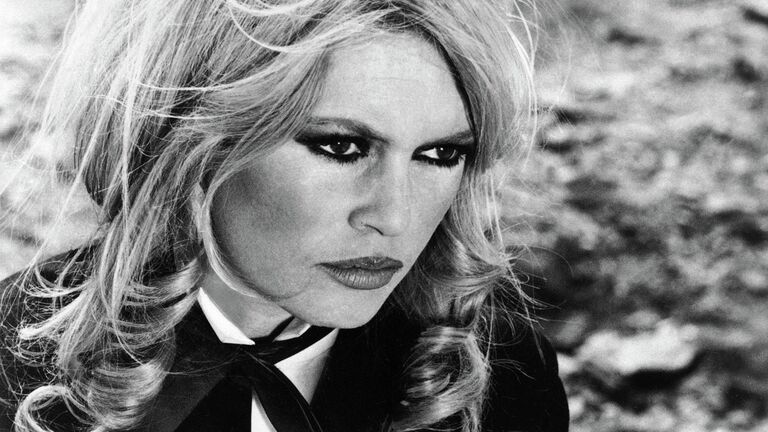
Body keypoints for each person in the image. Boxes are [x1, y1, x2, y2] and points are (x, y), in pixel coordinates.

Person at [0, 1, 568, 431]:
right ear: (192, 144)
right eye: (341, 147)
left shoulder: (501, 370)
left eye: (440, 154)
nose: (394, 217)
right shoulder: (9, 361)